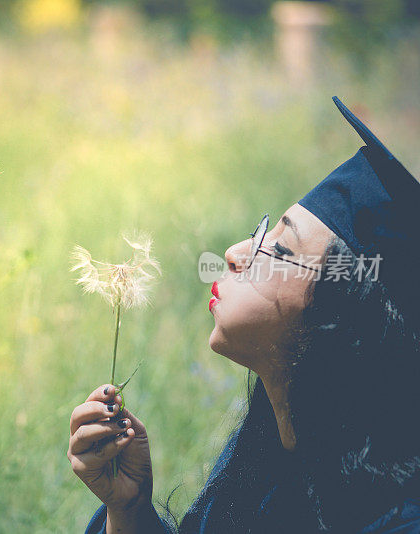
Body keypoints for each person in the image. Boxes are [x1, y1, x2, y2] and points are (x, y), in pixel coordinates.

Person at [68, 97, 420, 533]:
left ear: (343, 313)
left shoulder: (397, 520)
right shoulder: (268, 450)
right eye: (261, 232)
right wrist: (131, 508)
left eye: (281, 249)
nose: (234, 254)